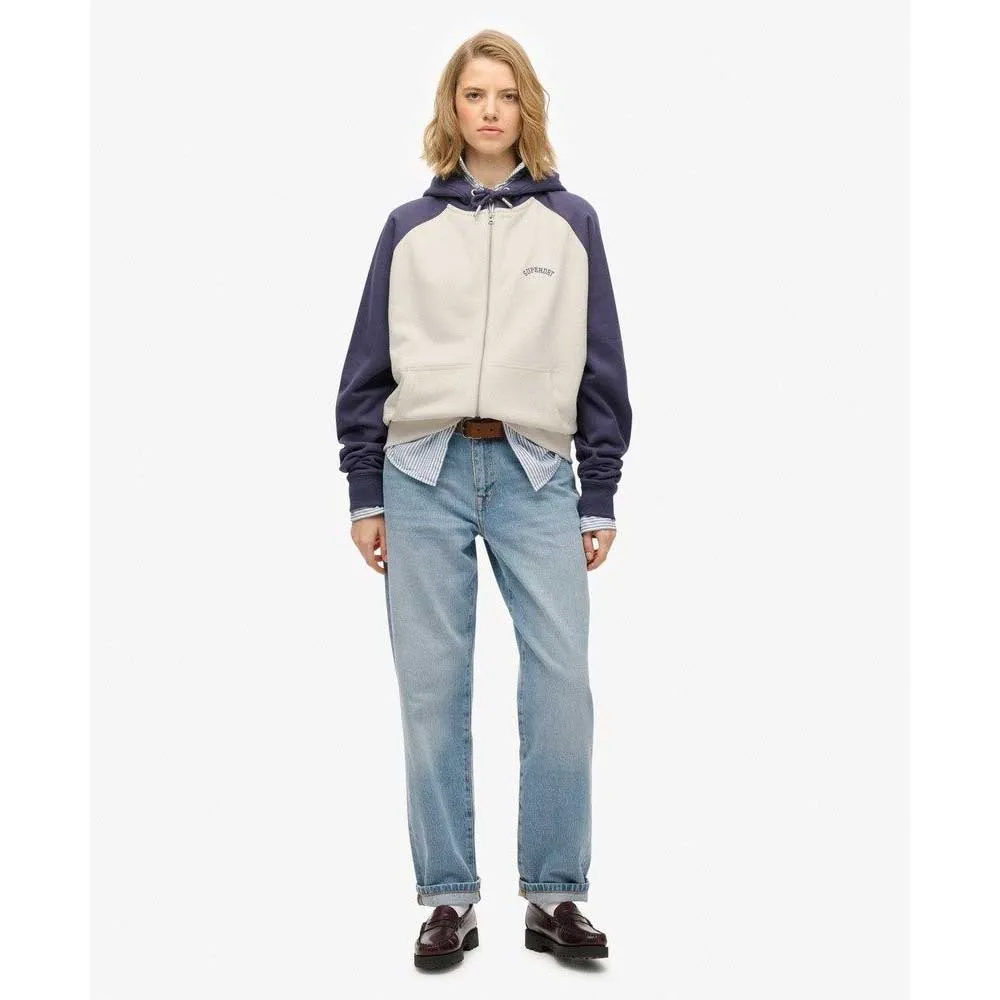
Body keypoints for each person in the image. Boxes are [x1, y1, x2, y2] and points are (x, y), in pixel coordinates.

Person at [335, 29, 632, 969]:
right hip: (421, 471)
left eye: (506, 94)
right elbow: (368, 364)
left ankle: (555, 893)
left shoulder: (572, 223)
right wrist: (366, 491)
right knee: (431, 688)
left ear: (527, 106)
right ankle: (448, 899)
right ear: (452, 108)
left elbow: (600, 361)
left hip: (536, 472)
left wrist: (599, 490)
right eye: (474, 94)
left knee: (561, 684)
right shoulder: (407, 228)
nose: (491, 110)